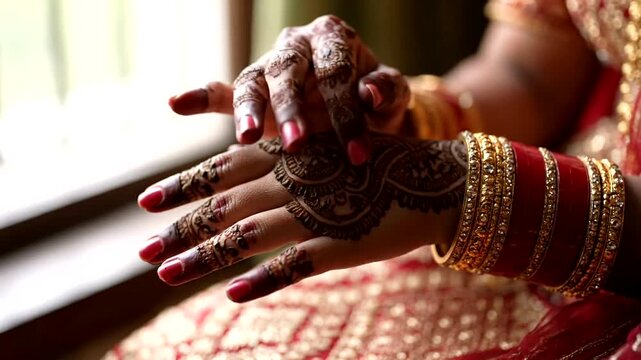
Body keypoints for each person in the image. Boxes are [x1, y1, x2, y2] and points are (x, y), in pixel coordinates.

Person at [105, 0, 641, 358]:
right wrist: (386, 120)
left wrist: (471, 190)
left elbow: (474, 186)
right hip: (521, 217)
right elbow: (528, 79)